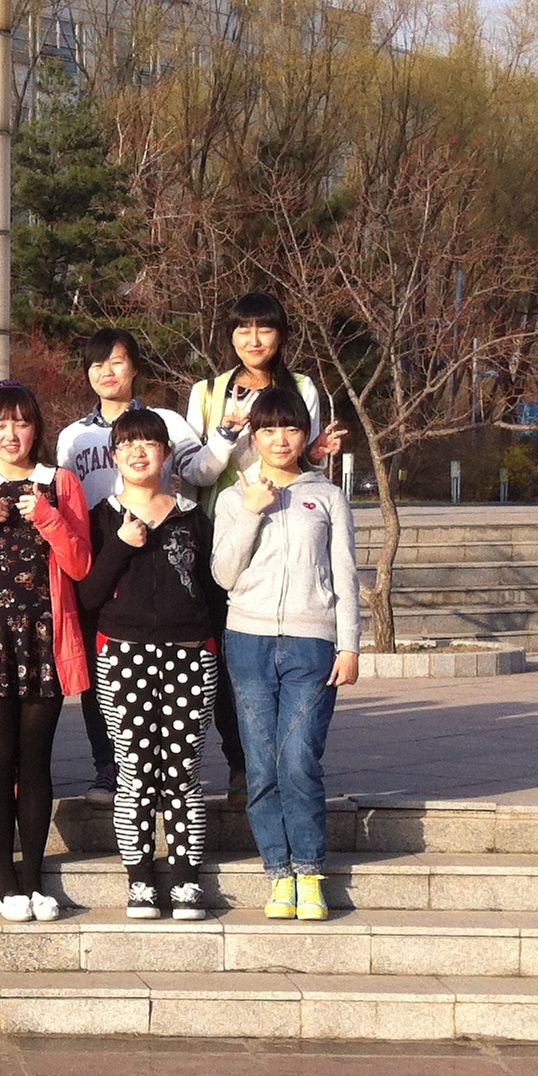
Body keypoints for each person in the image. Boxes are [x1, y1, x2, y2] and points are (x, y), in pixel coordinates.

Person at [59, 327, 235, 803]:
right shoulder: (74, 436)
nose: (106, 372)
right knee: (102, 673)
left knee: (182, 682)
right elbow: (66, 494)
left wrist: (225, 436)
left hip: (164, 549)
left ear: (134, 367)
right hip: (101, 549)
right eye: (97, 364)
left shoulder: (167, 422)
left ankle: (186, 769)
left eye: (116, 362)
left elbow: (199, 471)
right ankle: (108, 766)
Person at [184, 291, 346, 799]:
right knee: (231, 653)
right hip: (228, 531)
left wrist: (319, 453)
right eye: (243, 329)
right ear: (230, 335)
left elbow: (306, 464)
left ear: (281, 335)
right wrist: (227, 432)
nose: (253, 340)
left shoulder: (302, 387)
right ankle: (242, 762)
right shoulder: (208, 393)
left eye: (265, 329)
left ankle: (288, 766)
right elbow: (195, 472)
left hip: (291, 534)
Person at [0, 382, 93, 922]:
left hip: (45, 638)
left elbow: (81, 564)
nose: (11, 434)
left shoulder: (61, 482)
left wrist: (48, 516)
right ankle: (6, 882)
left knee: (36, 761)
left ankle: (34, 880)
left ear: (37, 429)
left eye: (22, 422)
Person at [212, 385, 361, 923]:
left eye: (291, 428)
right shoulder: (235, 497)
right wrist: (252, 512)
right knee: (261, 766)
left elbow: (344, 574)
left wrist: (349, 644)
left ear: (306, 434)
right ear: (253, 435)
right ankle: (279, 873)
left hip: (311, 641)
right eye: (268, 429)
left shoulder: (328, 496)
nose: (280, 439)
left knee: (299, 760)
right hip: (247, 642)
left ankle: (309, 871)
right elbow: (223, 574)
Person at [78, 409, 222, 921]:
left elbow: (213, 593)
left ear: (166, 453)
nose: (138, 452)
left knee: (184, 772)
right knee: (135, 771)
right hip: (122, 654)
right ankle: (139, 879)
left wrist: (213, 649)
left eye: (149, 443)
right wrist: (120, 546)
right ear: (113, 455)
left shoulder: (191, 517)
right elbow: (87, 595)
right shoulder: (100, 517)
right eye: (127, 444)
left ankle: (185, 878)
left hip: (190, 654)